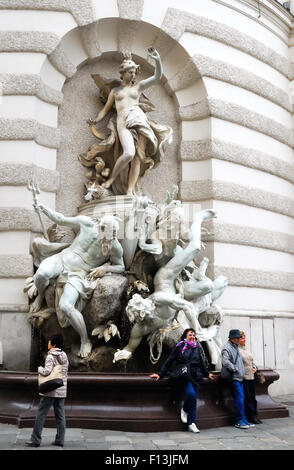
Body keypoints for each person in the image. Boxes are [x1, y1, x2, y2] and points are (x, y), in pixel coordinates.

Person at [29, 204, 125, 358]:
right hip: (62, 258)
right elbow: (60, 219)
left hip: (79, 274)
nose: (112, 236)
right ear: (101, 227)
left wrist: (105, 269)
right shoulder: (86, 223)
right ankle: (40, 296)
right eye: (109, 232)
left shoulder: (114, 246)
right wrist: (43, 209)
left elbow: (121, 267)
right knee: (42, 274)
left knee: (66, 306)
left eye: (114, 232)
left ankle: (85, 340)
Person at [87, 48, 172, 195]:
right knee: (128, 154)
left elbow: (157, 77)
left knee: (138, 157)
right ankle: (111, 180)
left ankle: (130, 191)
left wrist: (157, 60)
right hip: (123, 121)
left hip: (138, 119)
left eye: (134, 72)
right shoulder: (115, 92)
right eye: (130, 72)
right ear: (122, 73)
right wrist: (95, 120)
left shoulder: (138, 88)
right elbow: (105, 110)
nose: (133, 75)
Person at [150, 328, 214, 433]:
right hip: (185, 375)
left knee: (194, 400)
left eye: (193, 335)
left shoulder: (196, 347)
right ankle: (184, 409)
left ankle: (191, 423)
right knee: (191, 394)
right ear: (185, 336)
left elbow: (201, 362)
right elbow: (169, 360)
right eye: (190, 335)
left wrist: (206, 373)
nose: (192, 337)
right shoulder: (179, 346)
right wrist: (160, 374)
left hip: (196, 375)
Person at [26, 334, 69, 447]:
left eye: (50, 342)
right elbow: (63, 373)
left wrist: (40, 369)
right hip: (61, 389)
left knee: (41, 414)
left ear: (53, 344)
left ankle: (35, 439)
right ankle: (60, 440)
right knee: (60, 415)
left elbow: (47, 372)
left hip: (50, 390)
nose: (48, 343)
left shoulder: (50, 356)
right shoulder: (64, 355)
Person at [221, 329, 255, 429]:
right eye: (238, 337)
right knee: (239, 399)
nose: (239, 339)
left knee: (241, 399)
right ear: (233, 338)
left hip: (239, 377)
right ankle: (239, 420)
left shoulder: (235, 347)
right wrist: (235, 369)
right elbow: (225, 361)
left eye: (240, 337)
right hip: (234, 377)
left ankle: (243, 419)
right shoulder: (227, 348)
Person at [239, 330, 262, 424]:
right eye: (242, 338)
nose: (244, 340)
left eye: (244, 337)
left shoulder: (246, 349)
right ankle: (250, 417)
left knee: (252, 397)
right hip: (244, 377)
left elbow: (252, 362)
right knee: (247, 398)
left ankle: (255, 415)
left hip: (251, 376)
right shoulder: (237, 350)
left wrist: (254, 367)